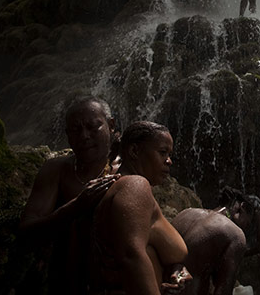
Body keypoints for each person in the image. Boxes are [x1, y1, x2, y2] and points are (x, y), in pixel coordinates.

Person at [19, 96, 121, 295]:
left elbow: (154, 225)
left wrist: (176, 266)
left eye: (93, 127)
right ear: (67, 135)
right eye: (75, 130)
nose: (84, 136)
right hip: (64, 282)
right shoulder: (57, 170)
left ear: (111, 125)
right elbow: (26, 233)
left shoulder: (128, 168)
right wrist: (75, 207)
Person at [89, 121, 191, 294]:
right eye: (162, 152)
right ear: (134, 151)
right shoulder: (134, 186)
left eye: (170, 154)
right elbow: (132, 257)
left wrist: (175, 267)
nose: (169, 161)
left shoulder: (126, 186)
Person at [170, 206, 247, 295]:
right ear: (240, 212)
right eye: (248, 223)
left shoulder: (186, 213)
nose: (246, 228)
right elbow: (223, 291)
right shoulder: (236, 235)